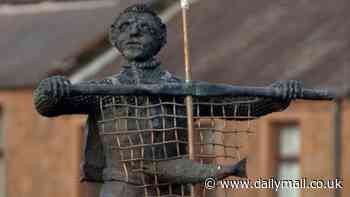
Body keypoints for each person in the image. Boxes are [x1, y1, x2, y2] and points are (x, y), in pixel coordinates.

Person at [33, 4, 302, 197]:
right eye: (125, 28)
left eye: (144, 28)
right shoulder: (103, 90)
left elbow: (236, 107)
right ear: (114, 37)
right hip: (122, 189)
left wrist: (277, 97)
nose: (134, 34)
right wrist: (50, 88)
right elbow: (48, 106)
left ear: (162, 37)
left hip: (172, 189)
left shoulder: (180, 91)